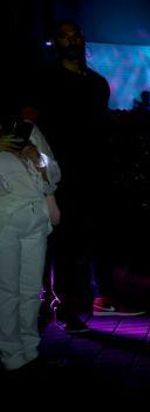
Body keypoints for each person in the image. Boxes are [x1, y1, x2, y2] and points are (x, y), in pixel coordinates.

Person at [34, 20, 142, 332]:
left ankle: (103, 299)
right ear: (56, 42)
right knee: (66, 244)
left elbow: (100, 128)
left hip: (98, 172)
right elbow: (37, 128)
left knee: (102, 239)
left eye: (75, 34)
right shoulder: (47, 80)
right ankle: (64, 307)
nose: (71, 40)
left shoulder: (97, 82)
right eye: (64, 36)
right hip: (63, 174)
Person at [0, 117, 60, 371]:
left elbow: (54, 173)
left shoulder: (27, 128)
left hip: (36, 219)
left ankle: (30, 347)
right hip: (5, 221)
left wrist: (37, 158)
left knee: (31, 289)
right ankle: (11, 352)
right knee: (7, 291)